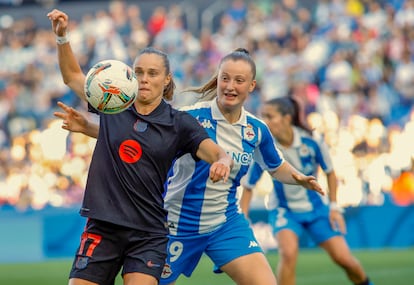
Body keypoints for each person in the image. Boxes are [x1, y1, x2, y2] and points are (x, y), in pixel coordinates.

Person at [56, 47, 325, 285]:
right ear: (217, 80)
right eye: (225, 79)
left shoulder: (256, 129)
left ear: (251, 86)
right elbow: (138, 137)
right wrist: (91, 128)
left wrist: (299, 177)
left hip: (224, 222)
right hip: (175, 223)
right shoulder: (189, 117)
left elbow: (275, 166)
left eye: (239, 80)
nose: (230, 86)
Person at [47, 9, 232, 285]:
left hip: (148, 232)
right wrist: (62, 38)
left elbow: (216, 152)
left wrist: (223, 162)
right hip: (103, 226)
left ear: (166, 79)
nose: (144, 78)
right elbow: (73, 76)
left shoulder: (179, 123)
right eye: (139, 72)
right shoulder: (112, 104)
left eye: (153, 73)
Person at [240, 96, 374, 285]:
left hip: (317, 210)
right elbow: (248, 186)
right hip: (284, 211)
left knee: (344, 259)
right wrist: (243, 219)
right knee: (288, 253)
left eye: (270, 116)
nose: (265, 122)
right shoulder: (265, 147)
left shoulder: (312, 142)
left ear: (287, 118)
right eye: (263, 117)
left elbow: (330, 172)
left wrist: (335, 207)